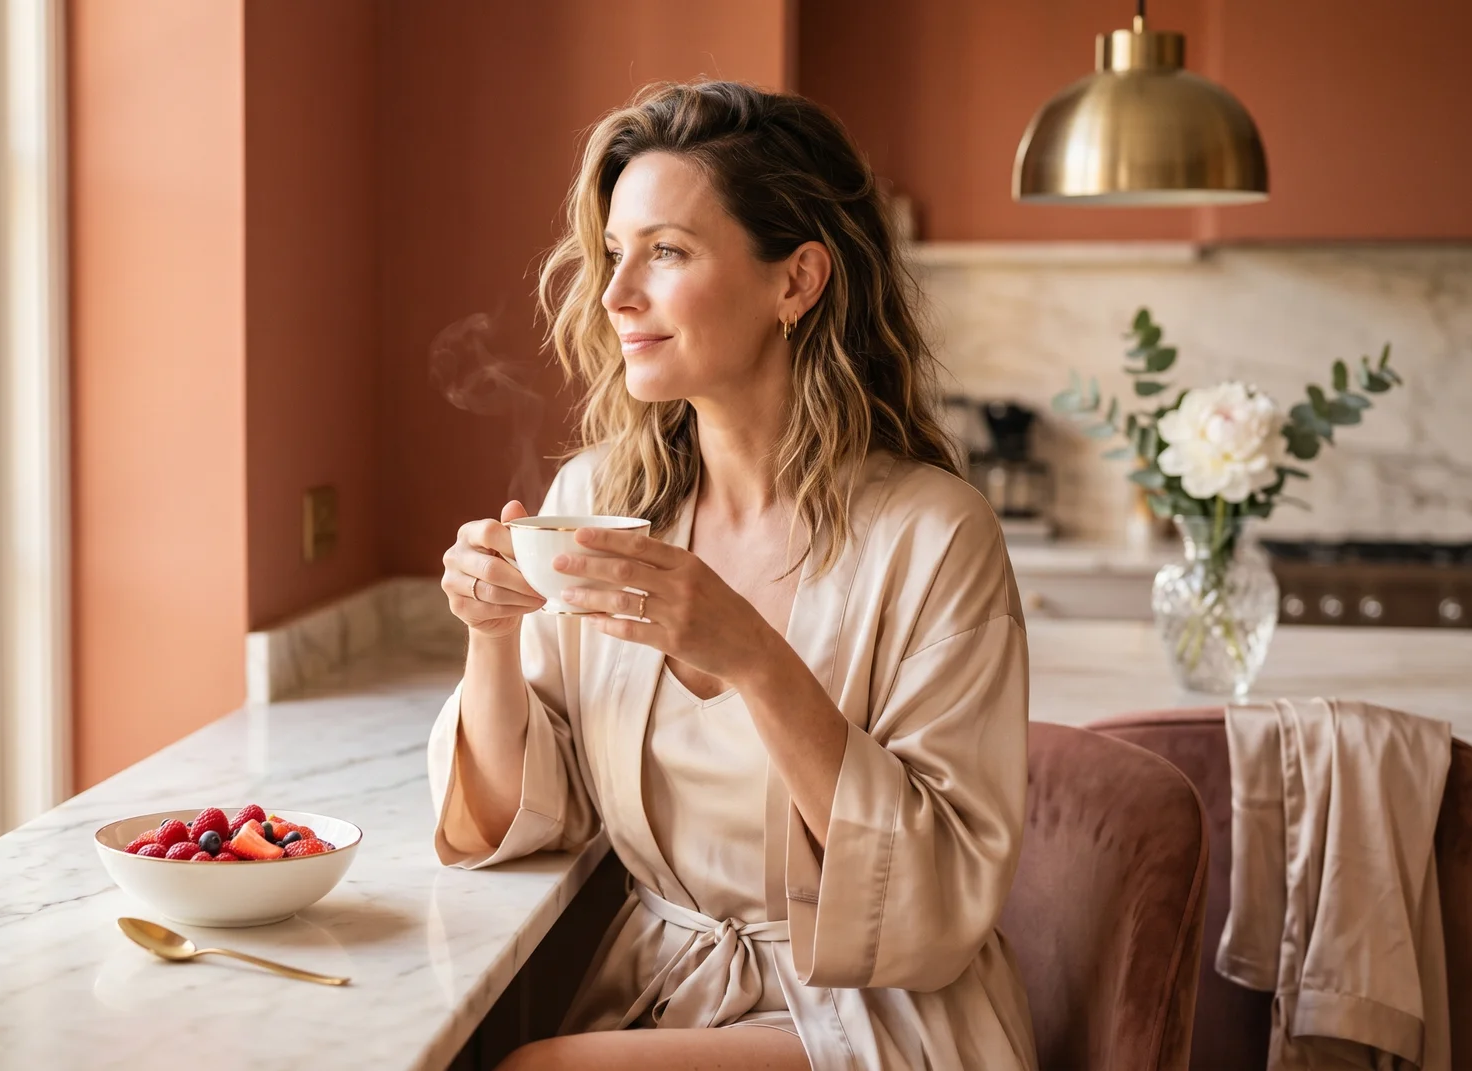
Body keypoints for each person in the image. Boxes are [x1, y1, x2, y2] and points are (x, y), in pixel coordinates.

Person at [429, 80, 1037, 1071]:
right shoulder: (604, 502)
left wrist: (754, 656)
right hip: (669, 997)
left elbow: (935, 899)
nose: (616, 295)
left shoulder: (934, 536)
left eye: (665, 252)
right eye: (613, 254)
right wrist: (491, 635)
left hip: (876, 1020)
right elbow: (516, 819)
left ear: (797, 282)